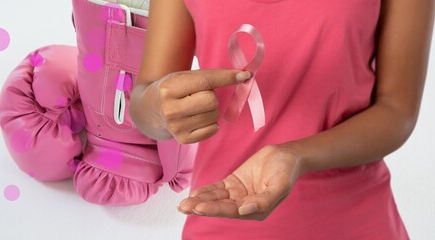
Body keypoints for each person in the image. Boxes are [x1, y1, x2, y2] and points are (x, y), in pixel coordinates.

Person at [130, 0, 435, 239]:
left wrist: (295, 155)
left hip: (357, 222)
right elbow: (145, 103)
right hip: (222, 217)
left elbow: (397, 111)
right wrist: (159, 106)